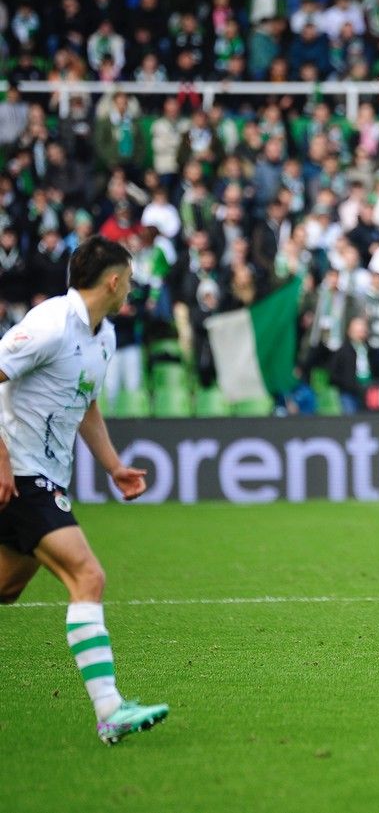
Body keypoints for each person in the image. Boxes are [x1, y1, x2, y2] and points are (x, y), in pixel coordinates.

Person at [0, 237, 168, 744]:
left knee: (6, 588)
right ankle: (111, 710)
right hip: (22, 476)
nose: (131, 288)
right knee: (88, 577)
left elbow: (86, 403)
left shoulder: (104, 337)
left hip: (42, 476)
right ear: (113, 281)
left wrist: (113, 465)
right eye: (130, 279)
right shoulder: (49, 323)